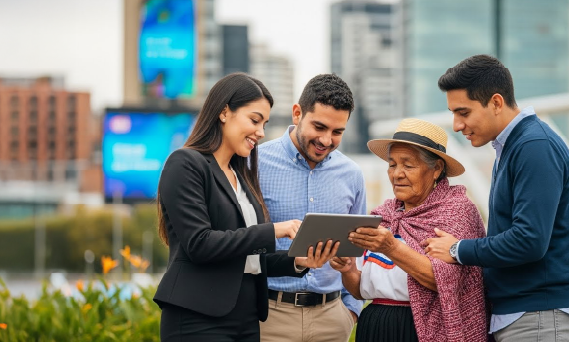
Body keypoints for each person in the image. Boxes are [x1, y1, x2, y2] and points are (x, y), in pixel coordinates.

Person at [154, 73, 338, 342]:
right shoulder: (185, 164)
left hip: (246, 317)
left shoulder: (242, 175)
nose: (260, 132)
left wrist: (297, 262)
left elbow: (248, 258)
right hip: (197, 317)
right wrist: (274, 230)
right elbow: (200, 244)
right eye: (254, 120)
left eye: (264, 124)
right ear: (224, 112)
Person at [423, 55, 569, 341]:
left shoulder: (534, 146)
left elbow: (529, 240)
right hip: (526, 315)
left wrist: (457, 250)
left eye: (463, 112)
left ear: (496, 103)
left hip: (539, 316)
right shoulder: (513, 146)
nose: (456, 125)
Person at [331, 118, 488, 342]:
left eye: (408, 165)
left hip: (424, 330)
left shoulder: (457, 212)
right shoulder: (382, 215)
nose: (397, 174)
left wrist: (391, 247)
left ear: (436, 169)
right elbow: (359, 290)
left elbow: (444, 281)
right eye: (392, 164)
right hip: (374, 326)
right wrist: (347, 270)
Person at [256, 74, 366, 342]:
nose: (327, 140)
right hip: (269, 318)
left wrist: (350, 311)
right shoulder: (254, 164)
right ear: (297, 113)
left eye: (337, 132)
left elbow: (359, 249)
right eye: (319, 127)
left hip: (332, 319)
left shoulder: (352, 174)